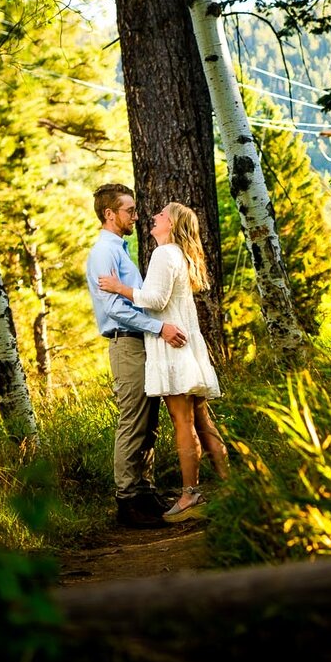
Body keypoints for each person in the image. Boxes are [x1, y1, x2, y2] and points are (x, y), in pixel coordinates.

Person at [97, 201, 228, 523]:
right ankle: (232, 487)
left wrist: (120, 288)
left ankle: (189, 495)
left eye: (160, 215)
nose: (152, 218)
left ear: (171, 224)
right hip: (187, 344)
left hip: (173, 347)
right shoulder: (179, 255)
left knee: (183, 422)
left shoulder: (164, 253)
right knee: (201, 420)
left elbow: (154, 300)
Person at [86, 184, 188, 525]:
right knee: (132, 421)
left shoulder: (120, 249)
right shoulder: (104, 252)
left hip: (139, 341)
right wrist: (159, 328)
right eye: (129, 210)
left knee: (148, 422)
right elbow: (114, 309)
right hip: (125, 342)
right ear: (109, 214)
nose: (136, 215)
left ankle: (145, 492)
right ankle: (127, 501)